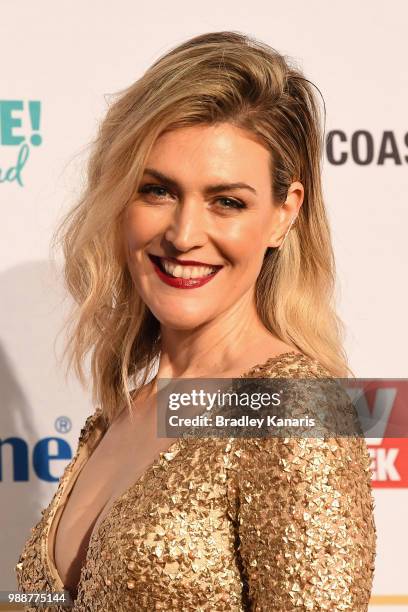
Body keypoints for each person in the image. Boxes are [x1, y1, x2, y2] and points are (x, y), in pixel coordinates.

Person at [15, 30, 376, 611]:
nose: (183, 235)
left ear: (284, 214)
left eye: (226, 201)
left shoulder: (291, 409)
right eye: (156, 190)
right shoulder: (118, 415)